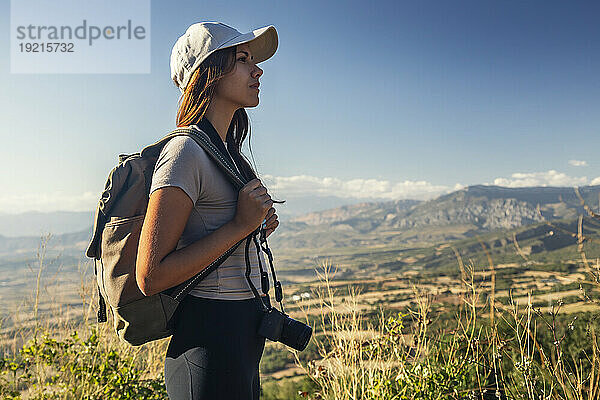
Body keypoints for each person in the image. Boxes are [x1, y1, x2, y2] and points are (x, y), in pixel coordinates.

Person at [135, 22, 281, 399]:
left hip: (241, 335)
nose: (258, 69)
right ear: (209, 72)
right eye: (243, 59)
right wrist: (238, 226)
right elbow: (150, 276)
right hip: (208, 339)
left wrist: (253, 230)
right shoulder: (184, 153)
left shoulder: (226, 156)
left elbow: (213, 237)